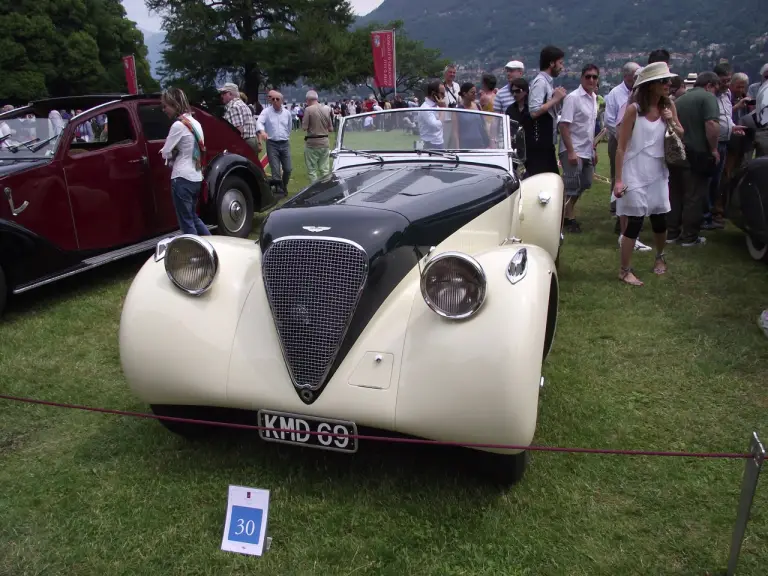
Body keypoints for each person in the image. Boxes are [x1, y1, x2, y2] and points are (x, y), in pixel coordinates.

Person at [612, 62, 682, 286]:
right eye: (664, 81)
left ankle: (660, 257)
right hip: (635, 170)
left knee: (660, 218)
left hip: (658, 170)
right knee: (634, 221)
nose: (668, 84)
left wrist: (669, 118)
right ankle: (624, 270)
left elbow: (681, 132)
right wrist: (619, 180)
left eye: (668, 81)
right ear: (651, 85)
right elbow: (621, 147)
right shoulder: (633, 109)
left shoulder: (668, 104)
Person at [667, 72, 721, 247]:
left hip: (676, 153)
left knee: (675, 194)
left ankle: (672, 232)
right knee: (694, 196)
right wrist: (713, 149)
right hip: (696, 153)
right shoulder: (708, 98)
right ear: (710, 85)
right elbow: (711, 124)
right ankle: (689, 236)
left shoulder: (679, 100)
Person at [159, 87, 210, 236]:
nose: (164, 110)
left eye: (165, 106)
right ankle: (214, 245)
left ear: (175, 104)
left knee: (186, 223)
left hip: (181, 178)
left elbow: (165, 153)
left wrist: (166, 152)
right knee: (193, 218)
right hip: (195, 177)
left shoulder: (178, 125)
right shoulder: (195, 123)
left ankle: (197, 254)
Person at [559, 64, 600, 233]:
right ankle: (569, 219)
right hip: (573, 149)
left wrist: (594, 150)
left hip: (587, 150)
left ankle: (563, 212)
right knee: (571, 185)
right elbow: (563, 125)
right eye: (588, 76)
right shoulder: (573, 98)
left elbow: (589, 128)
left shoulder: (594, 98)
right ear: (582, 78)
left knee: (586, 182)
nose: (591, 80)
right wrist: (570, 151)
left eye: (594, 77)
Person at [605, 62, 641, 213]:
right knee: (617, 171)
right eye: (635, 76)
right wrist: (620, 135)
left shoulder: (640, 92)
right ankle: (616, 206)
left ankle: (633, 203)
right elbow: (609, 119)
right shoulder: (615, 93)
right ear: (626, 76)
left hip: (637, 138)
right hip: (618, 138)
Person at [528, 46, 567, 175]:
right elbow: (534, 111)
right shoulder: (540, 82)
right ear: (551, 63)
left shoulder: (547, 82)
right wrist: (555, 99)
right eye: (560, 63)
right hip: (540, 143)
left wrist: (557, 100)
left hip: (546, 141)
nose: (562, 67)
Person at [302, 90, 333, 182]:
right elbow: (331, 128)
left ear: (307, 100)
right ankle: (327, 188)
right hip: (324, 142)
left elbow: (304, 127)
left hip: (312, 143)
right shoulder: (327, 109)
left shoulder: (308, 110)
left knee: (312, 170)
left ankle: (315, 189)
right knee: (325, 169)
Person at [218, 82, 259, 154]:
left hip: (244, 143)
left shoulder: (233, 106)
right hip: (251, 141)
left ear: (230, 94)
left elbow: (238, 130)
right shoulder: (241, 104)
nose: (221, 96)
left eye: (224, 93)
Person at [453, 82, 489, 149]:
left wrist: (488, 142)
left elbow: (484, 125)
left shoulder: (478, 106)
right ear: (465, 94)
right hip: (465, 146)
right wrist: (457, 149)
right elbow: (455, 132)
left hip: (480, 144)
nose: (475, 94)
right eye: (472, 93)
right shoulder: (457, 110)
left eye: (475, 92)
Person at [419, 80, 446, 149]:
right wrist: (443, 109)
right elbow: (436, 126)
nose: (444, 96)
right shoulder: (425, 108)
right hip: (429, 145)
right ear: (433, 94)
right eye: (442, 93)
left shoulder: (437, 105)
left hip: (439, 142)